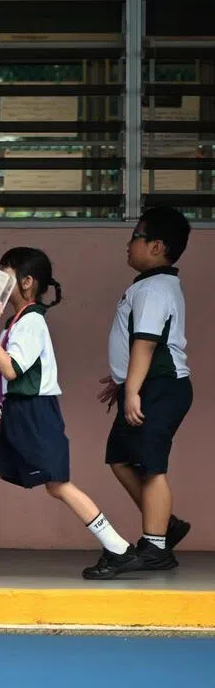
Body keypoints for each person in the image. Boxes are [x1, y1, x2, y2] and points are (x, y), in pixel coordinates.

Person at [0, 247, 141, 580]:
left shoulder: (31, 322)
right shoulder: (16, 320)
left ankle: (118, 548)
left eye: (6, 275)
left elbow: (12, 370)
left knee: (58, 485)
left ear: (27, 283)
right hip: (16, 413)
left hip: (34, 414)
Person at [99, 207, 193, 570]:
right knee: (120, 457)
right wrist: (123, 381)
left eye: (135, 236)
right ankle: (165, 526)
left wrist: (134, 389)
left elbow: (146, 343)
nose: (128, 243)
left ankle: (155, 547)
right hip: (144, 384)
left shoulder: (154, 288)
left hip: (159, 387)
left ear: (156, 246)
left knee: (152, 466)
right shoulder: (148, 285)